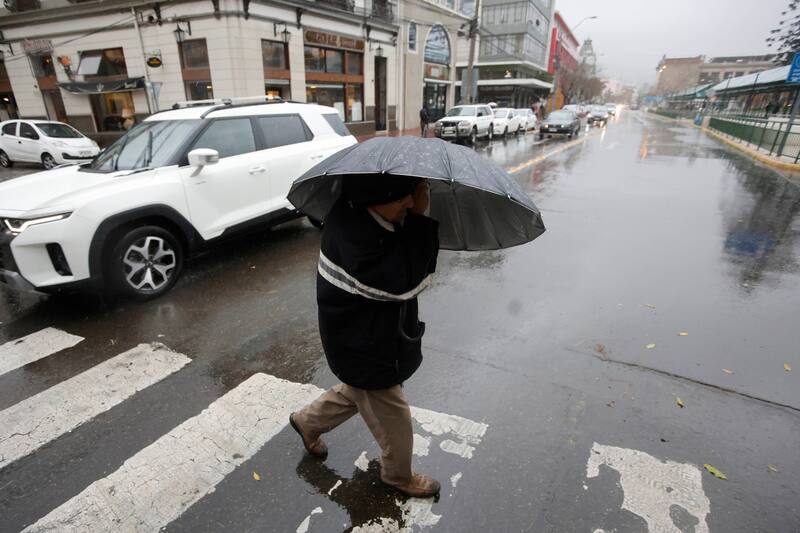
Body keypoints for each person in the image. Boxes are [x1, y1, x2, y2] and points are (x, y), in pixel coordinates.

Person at [290, 178, 441, 498]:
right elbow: (404, 284)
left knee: (358, 391)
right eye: (404, 198)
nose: (411, 203)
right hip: (364, 345)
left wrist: (408, 216)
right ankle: (398, 475)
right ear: (374, 199)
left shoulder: (362, 214)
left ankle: (308, 422)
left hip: (368, 338)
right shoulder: (354, 239)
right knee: (393, 412)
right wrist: (418, 220)